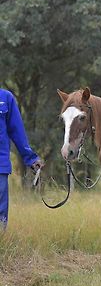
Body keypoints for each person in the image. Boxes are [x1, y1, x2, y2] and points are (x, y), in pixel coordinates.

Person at [0, 88, 44, 230]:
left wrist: (31, 158)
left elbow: (17, 130)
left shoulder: (5, 98)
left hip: (0, 166)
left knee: (0, 214)